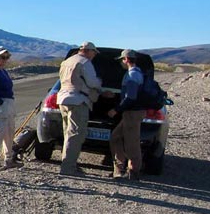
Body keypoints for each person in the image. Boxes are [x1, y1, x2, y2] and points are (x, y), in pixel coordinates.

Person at [56, 41, 108, 176]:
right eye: (94, 53)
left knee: (68, 133)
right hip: (78, 100)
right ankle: (68, 167)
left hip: (63, 99)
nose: (94, 55)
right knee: (76, 135)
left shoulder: (67, 61)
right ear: (89, 51)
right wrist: (100, 85)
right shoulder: (85, 63)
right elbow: (92, 82)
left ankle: (68, 163)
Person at [107, 49, 144, 180]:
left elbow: (130, 97)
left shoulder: (132, 75)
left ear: (126, 59)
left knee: (131, 142)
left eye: (122, 60)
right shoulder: (136, 73)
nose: (121, 62)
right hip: (132, 112)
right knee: (116, 137)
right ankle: (119, 169)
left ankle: (133, 173)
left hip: (132, 113)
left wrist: (117, 109)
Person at [0, 46, 23, 171]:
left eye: (7, 57)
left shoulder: (3, 71)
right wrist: (0, 102)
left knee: (9, 132)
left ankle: (9, 159)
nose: (5, 59)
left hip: (8, 103)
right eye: (3, 57)